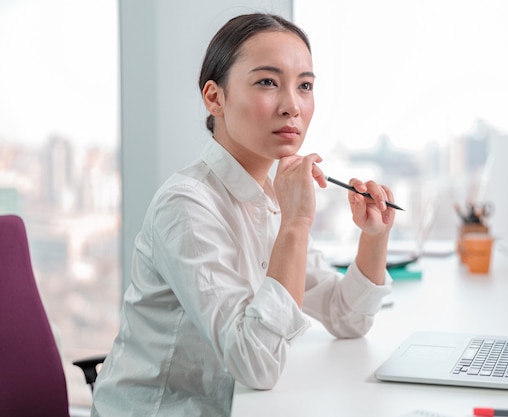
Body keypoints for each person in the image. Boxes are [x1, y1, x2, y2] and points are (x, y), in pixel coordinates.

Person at [91, 13, 396, 417]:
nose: (292, 106)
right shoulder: (186, 205)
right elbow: (256, 364)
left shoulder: (267, 197)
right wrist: (295, 225)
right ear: (215, 98)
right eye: (268, 82)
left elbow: (347, 317)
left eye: (304, 85)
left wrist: (373, 238)